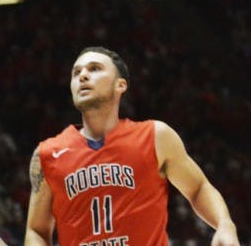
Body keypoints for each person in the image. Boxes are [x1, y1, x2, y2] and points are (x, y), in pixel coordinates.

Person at [24, 47, 239, 246]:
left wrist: (224, 225)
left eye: (95, 69)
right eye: (76, 72)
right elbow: (37, 230)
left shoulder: (155, 136)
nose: (83, 76)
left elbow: (198, 188)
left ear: (121, 85)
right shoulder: (47, 153)